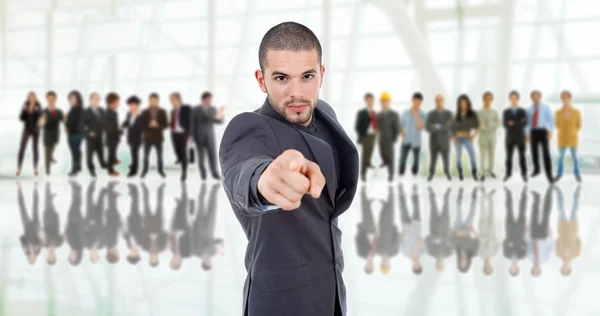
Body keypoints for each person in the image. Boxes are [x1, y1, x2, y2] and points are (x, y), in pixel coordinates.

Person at [219, 22, 359, 316]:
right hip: (279, 304)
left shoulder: (325, 114)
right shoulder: (250, 128)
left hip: (331, 295)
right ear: (261, 80)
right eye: (281, 78)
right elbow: (244, 171)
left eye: (307, 76)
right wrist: (266, 181)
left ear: (321, 75)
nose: (296, 92)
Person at [190, 91, 225, 180]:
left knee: (212, 155)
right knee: (201, 156)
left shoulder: (213, 109)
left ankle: (214, 173)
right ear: (203, 99)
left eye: (210, 99)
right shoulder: (196, 109)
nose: (210, 101)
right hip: (199, 136)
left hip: (210, 136)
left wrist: (221, 117)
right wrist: (191, 136)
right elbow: (192, 123)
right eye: (208, 99)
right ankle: (203, 174)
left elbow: (216, 121)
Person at [525, 90, 554, 183]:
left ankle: (549, 175)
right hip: (533, 132)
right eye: (533, 97)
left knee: (546, 153)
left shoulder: (546, 107)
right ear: (531, 98)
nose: (535, 99)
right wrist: (526, 133)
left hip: (543, 131)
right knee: (534, 152)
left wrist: (550, 131)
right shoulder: (529, 109)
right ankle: (536, 169)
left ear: (540, 97)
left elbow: (550, 120)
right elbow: (527, 123)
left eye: (537, 97)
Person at [554, 90, 582, 183]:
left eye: (566, 97)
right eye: (563, 97)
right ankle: (559, 174)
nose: (564, 99)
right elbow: (556, 124)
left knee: (574, 157)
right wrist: (563, 131)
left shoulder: (576, 112)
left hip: (573, 138)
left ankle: (577, 174)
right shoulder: (558, 112)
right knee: (561, 157)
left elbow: (579, 125)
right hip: (562, 137)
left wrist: (572, 132)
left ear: (569, 98)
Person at [452, 94, 480, 181]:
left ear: (468, 103)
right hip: (458, 138)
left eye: (465, 102)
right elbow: (452, 128)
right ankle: (460, 172)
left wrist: (473, 136)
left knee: (472, 154)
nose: (463, 104)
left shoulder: (472, 114)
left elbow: (477, 126)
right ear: (459, 104)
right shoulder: (457, 114)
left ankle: (474, 172)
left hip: (467, 138)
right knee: (458, 156)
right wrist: (453, 137)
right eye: (461, 103)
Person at [554, 186, 581, 277]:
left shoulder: (558, 253)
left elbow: (556, 242)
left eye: (563, 269)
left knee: (560, 209)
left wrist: (562, 237)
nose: (565, 267)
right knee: (574, 209)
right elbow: (579, 241)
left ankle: (558, 192)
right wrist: (574, 236)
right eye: (567, 269)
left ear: (561, 267)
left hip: (562, 228)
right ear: (570, 268)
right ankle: (577, 192)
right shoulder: (576, 254)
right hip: (573, 228)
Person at [425, 94, 453, 181]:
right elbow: (427, 127)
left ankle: (447, 172)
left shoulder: (449, 114)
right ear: (435, 102)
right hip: (434, 141)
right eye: (437, 100)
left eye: (440, 100)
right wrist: (443, 126)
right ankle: (431, 174)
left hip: (445, 141)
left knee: (446, 159)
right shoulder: (430, 114)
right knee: (433, 159)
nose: (439, 102)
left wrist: (437, 127)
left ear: (443, 101)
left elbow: (450, 126)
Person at [140, 93, 168, 178]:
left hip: (158, 138)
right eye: (152, 101)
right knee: (146, 156)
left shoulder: (163, 111)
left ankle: (161, 171)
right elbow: (141, 125)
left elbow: (166, 124)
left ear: (158, 101)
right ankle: (144, 171)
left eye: (155, 101)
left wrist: (158, 125)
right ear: (149, 101)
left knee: (159, 156)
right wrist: (149, 124)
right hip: (147, 138)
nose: (153, 102)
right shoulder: (144, 112)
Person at [451, 188, 480, 273]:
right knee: (472, 213)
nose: (463, 261)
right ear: (468, 263)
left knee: (458, 212)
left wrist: (453, 229)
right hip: (468, 229)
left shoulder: (456, 251)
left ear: (458, 262)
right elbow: (477, 241)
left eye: (461, 263)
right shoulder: (473, 253)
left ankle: (460, 195)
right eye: (465, 263)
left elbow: (452, 238)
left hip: (458, 228)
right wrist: (474, 232)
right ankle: (474, 195)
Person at [528, 186, 554, 278]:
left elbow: (528, 243)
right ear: (540, 269)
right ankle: (549, 193)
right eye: (537, 270)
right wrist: (550, 235)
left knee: (534, 215)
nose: (535, 268)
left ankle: (536, 197)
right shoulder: (545, 259)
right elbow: (550, 246)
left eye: (533, 270)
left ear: (531, 268)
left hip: (534, 234)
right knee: (546, 213)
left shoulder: (529, 257)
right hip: (543, 235)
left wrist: (528, 232)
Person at [399, 92, 426, 177]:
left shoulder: (422, 114)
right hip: (406, 140)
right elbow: (400, 125)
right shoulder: (405, 112)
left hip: (416, 141)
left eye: (419, 102)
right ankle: (401, 175)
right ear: (412, 100)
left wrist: (416, 115)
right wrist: (402, 133)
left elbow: (421, 127)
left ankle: (414, 176)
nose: (417, 104)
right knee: (402, 159)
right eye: (416, 101)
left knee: (416, 161)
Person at [398, 184, 424, 275]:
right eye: (419, 265)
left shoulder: (405, 253)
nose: (416, 264)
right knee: (416, 205)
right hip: (416, 224)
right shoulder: (422, 252)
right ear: (421, 264)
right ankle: (414, 188)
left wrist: (401, 233)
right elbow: (421, 240)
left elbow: (400, 240)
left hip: (406, 225)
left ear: (412, 266)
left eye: (415, 266)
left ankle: (400, 188)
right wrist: (416, 252)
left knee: (402, 206)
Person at [425, 187, 453, 273]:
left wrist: (436, 238)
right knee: (446, 207)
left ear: (436, 264)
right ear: (443, 264)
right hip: (445, 226)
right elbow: (451, 241)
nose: (439, 264)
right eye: (441, 266)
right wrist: (441, 239)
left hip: (434, 225)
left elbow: (427, 239)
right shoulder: (449, 253)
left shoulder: (431, 252)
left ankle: (431, 192)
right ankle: (446, 195)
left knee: (433, 207)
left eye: (438, 265)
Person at [502, 90, 528, 182]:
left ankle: (524, 174)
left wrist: (512, 123)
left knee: (522, 156)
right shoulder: (506, 112)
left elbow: (524, 124)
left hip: (521, 137)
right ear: (509, 99)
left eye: (515, 98)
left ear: (518, 99)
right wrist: (518, 122)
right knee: (508, 157)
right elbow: (505, 125)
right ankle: (508, 174)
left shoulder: (523, 111)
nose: (513, 100)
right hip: (509, 137)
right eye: (511, 98)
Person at [503, 186, 528, 277]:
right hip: (520, 230)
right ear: (518, 268)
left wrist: (514, 243)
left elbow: (504, 242)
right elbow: (525, 243)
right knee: (522, 210)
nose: (514, 267)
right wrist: (513, 243)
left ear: (510, 268)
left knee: (509, 210)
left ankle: (508, 193)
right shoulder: (522, 255)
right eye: (515, 269)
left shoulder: (506, 255)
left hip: (509, 230)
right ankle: (524, 193)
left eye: (512, 269)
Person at [16, 91, 42, 176]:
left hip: (35, 129)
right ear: (28, 98)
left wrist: (36, 110)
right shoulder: (25, 105)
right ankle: (19, 168)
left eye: (33, 98)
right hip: (26, 129)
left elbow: (40, 116)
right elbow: (21, 118)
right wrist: (24, 111)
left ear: (35, 98)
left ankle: (35, 168)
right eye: (30, 98)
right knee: (22, 147)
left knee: (35, 149)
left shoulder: (38, 105)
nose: (32, 99)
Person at [82, 92, 107, 177]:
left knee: (101, 154)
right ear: (90, 100)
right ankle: (92, 170)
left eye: (97, 99)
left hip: (100, 136)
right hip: (90, 138)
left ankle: (103, 165)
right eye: (94, 99)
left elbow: (105, 122)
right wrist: (88, 132)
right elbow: (81, 126)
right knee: (89, 156)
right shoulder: (86, 112)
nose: (96, 101)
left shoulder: (102, 110)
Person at [377, 91, 400, 182]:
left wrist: (393, 139)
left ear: (389, 102)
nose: (384, 103)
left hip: (389, 138)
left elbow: (397, 128)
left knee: (390, 157)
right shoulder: (379, 114)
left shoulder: (393, 114)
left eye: (386, 101)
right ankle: (385, 161)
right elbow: (378, 125)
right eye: (382, 101)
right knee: (382, 152)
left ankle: (391, 174)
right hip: (381, 138)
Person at [39, 91, 64, 175]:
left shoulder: (59, 111)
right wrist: (42, 122)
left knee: (51, 151)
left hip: (56, 134)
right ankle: (47, 169)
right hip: (47, 135)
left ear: (56, 100)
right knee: (47, 153)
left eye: (53, 99)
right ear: (46, 100)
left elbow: (64, 120)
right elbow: (41, 124)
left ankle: (51, 158)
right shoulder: (43, 111)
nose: (51, 101)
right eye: (49, 99)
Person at [169, 92, 193, 182]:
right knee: (177, 150)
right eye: (170, 100)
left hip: (183, 134)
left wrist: (191, 134)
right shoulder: (172, 111)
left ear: (178, 99)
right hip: (174, 133)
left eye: (172, 99)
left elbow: (191, 121)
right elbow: (173, 121)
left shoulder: (186, 108)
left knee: (183, 152)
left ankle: (184, 172)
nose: (171, 102)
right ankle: (179, 158)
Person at [477, 91, 500, 181]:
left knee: (492, 154)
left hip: (492, 136)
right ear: (483, 100)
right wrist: (488, 126)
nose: (488, 100)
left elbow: (498, 124)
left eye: (490, 99)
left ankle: (491, 170)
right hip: (482, 136)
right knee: (482, 155)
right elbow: (478, 125)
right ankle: (482, 173)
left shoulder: (495, 112)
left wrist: (488, 124)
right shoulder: (479, 112)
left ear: (492, 100)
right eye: (486, 99)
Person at [354, 92, 378, 181]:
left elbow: (376, 123)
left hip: (373, 135)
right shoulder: (362, 113)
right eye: (368, 100)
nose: (370, 102)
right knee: (365, 155)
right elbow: (357, 126)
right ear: (365, 101)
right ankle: (363, 173)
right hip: (366, 136)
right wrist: (362, 134)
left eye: (371, 100)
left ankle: (368, 163)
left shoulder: (374, 112)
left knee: (370, 152)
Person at [477, 188, 499, 276]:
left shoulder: (479, 254)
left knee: (482, 211)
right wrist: (491, 239)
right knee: (491, 212)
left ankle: (482, 194)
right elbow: (497, 243)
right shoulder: (494, 254)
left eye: (486, 268)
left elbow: (479, 241)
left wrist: (486, 240)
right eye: (489, 268)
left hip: (483, 230)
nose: (488, 266)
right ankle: (490, 196)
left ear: (483, 267)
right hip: (492, 231)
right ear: (491, 266)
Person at [122, 96, 144, 177]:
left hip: (137, 138)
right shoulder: (129, 113)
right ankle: (133, 164)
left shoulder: (141, 114)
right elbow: (126, 123)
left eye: (133, 105)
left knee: (135, 154)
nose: (131, 106)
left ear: (137, 105)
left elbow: (143, 128)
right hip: (130, 137)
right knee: (132, 153)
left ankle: (134, 171)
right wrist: (121, 126)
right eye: (130, 105)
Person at [65, 90, 85, 176]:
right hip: (70, 133)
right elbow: (68, 121)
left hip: (77, 133)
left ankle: (74, 169)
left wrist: (68, 124)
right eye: (70, 98)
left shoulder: (80, 109)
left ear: (78, 99)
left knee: (75, 151)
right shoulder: (71, 109)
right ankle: (78, 167)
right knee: (75, 151)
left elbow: (78, 123)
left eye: (74, 98)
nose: (72, 100)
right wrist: (66, 124)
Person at [104, 92, 122, 176]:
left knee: (113, 152)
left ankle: (114, 160)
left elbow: (114, 125)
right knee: (110, 154)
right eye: (117, 101)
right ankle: (110, 170)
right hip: (111, 138)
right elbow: (109, 128)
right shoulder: (108, 113)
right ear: (112, 102)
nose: (118, 103)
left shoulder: (114, 112)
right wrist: (119, 131)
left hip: (114, 138)